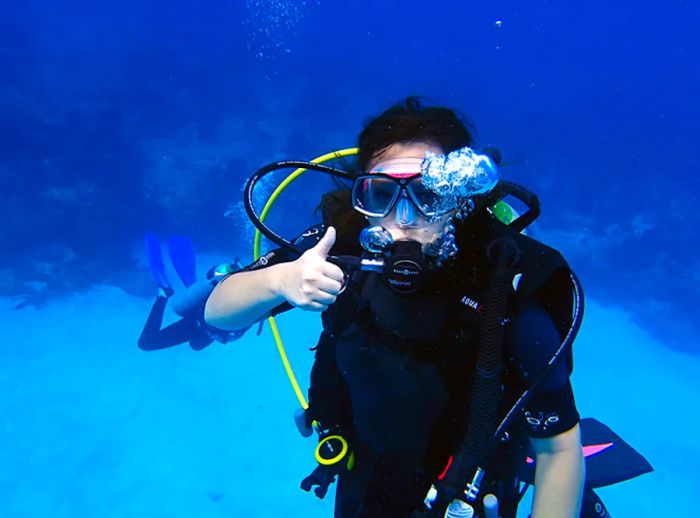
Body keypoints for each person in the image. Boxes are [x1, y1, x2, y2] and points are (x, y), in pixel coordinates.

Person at [204, 98, 644, 517]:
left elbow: (559, 448)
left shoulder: (502, 286)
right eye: (381, 196)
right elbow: (217, 312)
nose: (405, 218)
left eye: (428, 195)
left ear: (461, 198)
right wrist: (277, 280)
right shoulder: (335, 248)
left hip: (472, 491)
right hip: (364, 472)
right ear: (364, 198)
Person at [138, 234, 247, 351]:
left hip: (203, 322)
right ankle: (166, 293)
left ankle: (182, 291)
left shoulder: (252, 294)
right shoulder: (254, 299)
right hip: (199, 322)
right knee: (147, 343)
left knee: (195, 345)